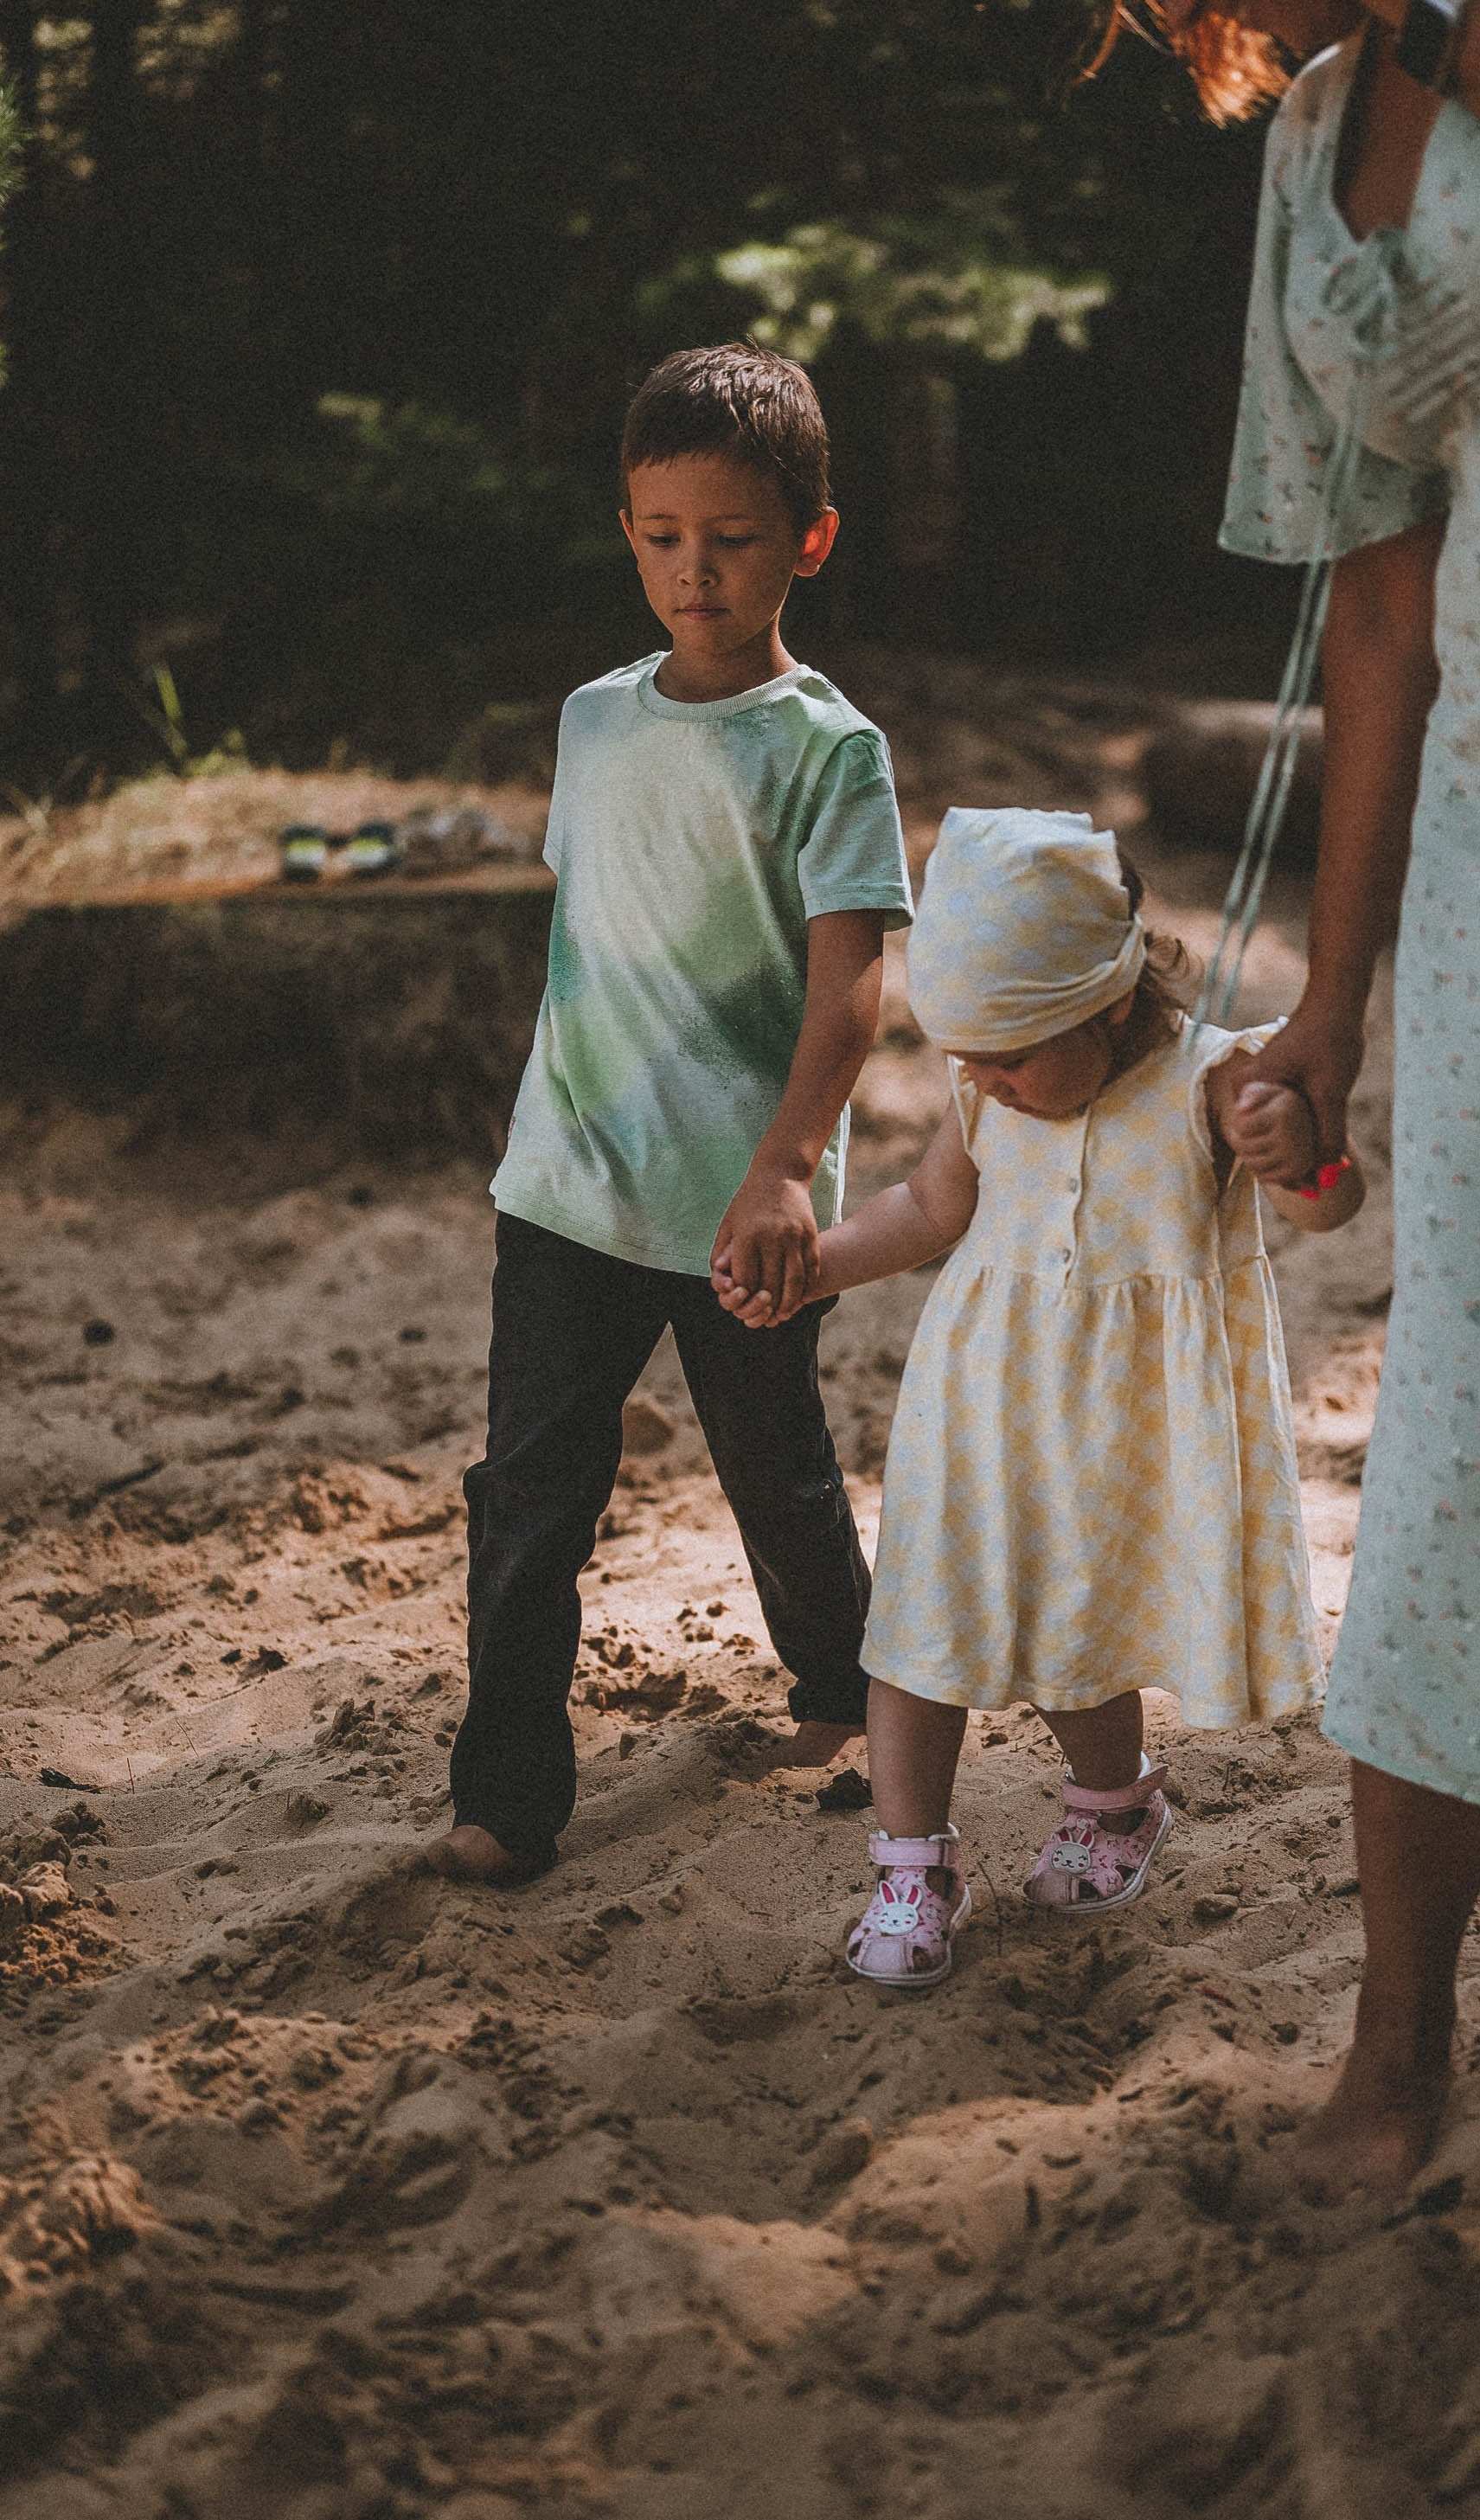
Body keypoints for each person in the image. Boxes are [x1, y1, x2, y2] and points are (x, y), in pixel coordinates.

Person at [1127, 0, 1480, 2192]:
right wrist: (1323, 1005)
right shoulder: (1312, 149)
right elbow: (1377, 603)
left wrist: (1452, 21)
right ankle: (1396, 2052)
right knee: (1472, 1411)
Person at [717, 807, 1363, 1985]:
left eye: (1010, 1054)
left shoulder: (1209, 1081)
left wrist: (1300, 1150)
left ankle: (1113, 1803)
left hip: (1125, 1425)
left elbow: (1323, 1205)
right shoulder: (985, 1091)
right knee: (913, 1628)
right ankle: (911, 1863)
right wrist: (819, 1266)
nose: (985, 1080)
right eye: (968, 1055)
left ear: (1111, 1001)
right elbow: (929, 1209)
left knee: (1085, 1624)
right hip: (979, 1402)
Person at [429, 343, 913, 1886]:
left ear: (809, 542)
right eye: (660, 538)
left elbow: (849, 988)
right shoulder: (590, 721)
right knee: (527, 1496)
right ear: (626, 528)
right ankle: (505, 1800)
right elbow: (595, 935)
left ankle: (840, 1692)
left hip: (739, 1205)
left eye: (733, 540)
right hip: (566, 1186)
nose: (693, 573)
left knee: (771, 1466)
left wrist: (782, 1170)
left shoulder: (830, 751)